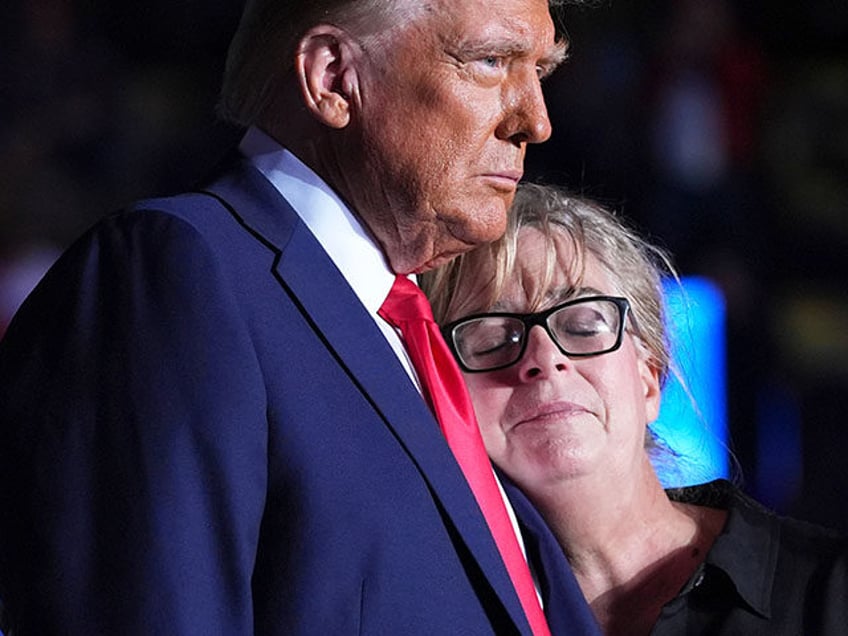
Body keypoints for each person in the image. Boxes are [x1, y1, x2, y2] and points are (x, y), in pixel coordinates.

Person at [0, 2, 603, 635]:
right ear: (333, 78)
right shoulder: (180, 271)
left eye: (541, 71)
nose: (535, 121)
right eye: (491, 62)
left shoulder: (423, 331)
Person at [423, 182, 848, 635]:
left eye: (584, 325)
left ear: (648, 378)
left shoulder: (831, 594)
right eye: (492, 338)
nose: (545, 359)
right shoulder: (421, 616)